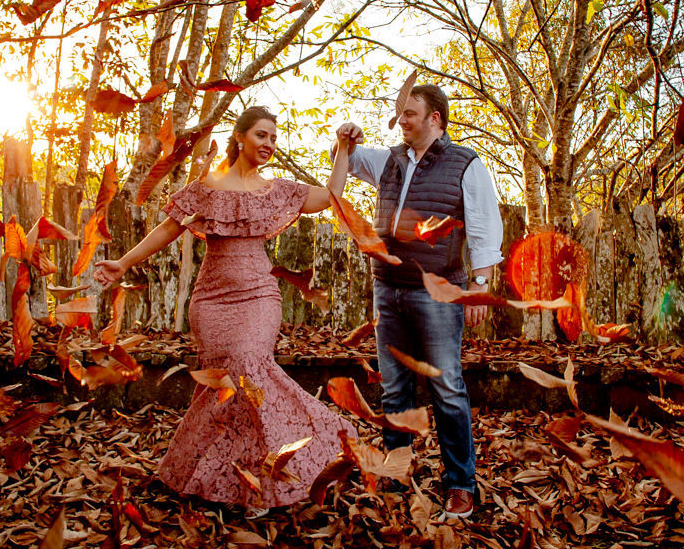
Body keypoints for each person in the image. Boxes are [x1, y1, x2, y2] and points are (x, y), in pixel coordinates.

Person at [94, 106, 357, 517]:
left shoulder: (275, 190)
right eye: (261, 136)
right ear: (240, 137)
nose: (269, 144)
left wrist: (342, 149)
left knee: (249, 365)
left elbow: (329, 198)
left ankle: (291, 463)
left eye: (273, 137)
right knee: (224, 386)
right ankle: (231, 481)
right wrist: (123, 264)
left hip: (257, 295)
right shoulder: (209, 186)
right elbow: (169, 228)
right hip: (212, 299)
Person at [335, 83, 503, 520]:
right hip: (386, 289)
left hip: (437, 293)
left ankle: (460, 485)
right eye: (399, 113)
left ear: (435, 119)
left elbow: (485, 225)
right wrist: (345, 135)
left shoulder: (466, 164)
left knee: (447, 388)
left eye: (409, 113)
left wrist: (480, 282)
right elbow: (348, 160)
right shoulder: (387, 160)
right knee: (395, 387)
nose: (400, 120)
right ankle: (397, 471)